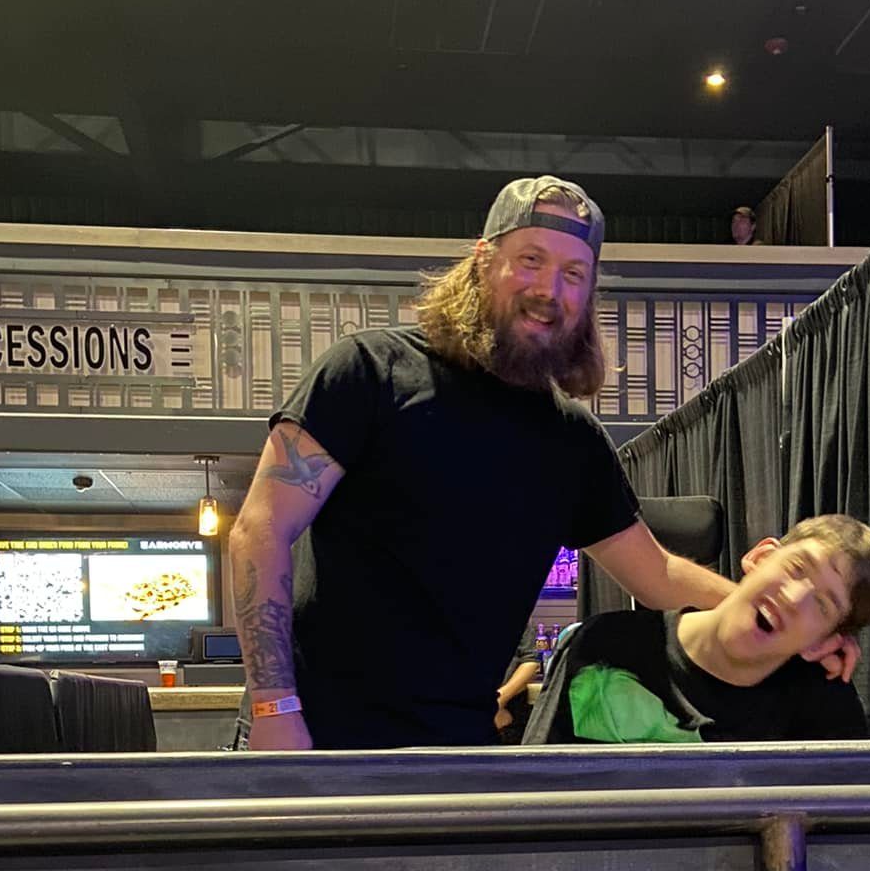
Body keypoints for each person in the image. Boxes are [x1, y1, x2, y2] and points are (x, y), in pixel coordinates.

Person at [229, 175, 751, 750]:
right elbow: (261, 529)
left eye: (573, 274)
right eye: (531, 260)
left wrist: (785, 612)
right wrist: (273, 706)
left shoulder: (571, 439)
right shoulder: (368, 371)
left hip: (457, 749)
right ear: (483, 262)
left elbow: (656, 577)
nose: (549, 289)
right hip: (316, 738)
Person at [523, 514, 870, 744]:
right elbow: (528, 802)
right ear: (760, 556)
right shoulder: (602, 645)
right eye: (797, 568)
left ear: (826, 643)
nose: (793, 596)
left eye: (821, 604)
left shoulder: (823, 708)